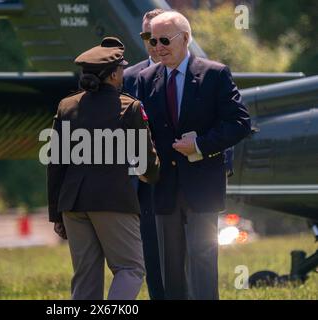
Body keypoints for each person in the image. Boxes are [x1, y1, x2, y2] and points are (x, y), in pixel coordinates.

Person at [136, 11, 251, 300]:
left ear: (185, 38)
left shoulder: (214, 74)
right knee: (170, 267)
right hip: (164, 188)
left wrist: (200, 144)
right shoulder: (146, 79)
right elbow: (142, 131)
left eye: (164, 40)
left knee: (202, 261)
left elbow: (240, 124)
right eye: (152, 39)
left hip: (202, 185)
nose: (157, 46)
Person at [47, 37, 160, 300]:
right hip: (113, 201)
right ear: (112, 75)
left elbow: (56, 164)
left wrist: (56, 213)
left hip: (73, 204)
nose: (123, 73)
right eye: (121, 69)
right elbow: (146, 160)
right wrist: (154, 175)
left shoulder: (67, 106)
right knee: (130, 268)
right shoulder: (129, 107)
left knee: (85, 276)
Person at [122, 8, 165, 301]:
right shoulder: (128, 78)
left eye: (160, 37)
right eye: (147, 36)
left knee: (191, 250)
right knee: (151, 253)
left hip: (184, 176)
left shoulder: (199, 73)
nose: (153, 43)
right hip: (144, 183)